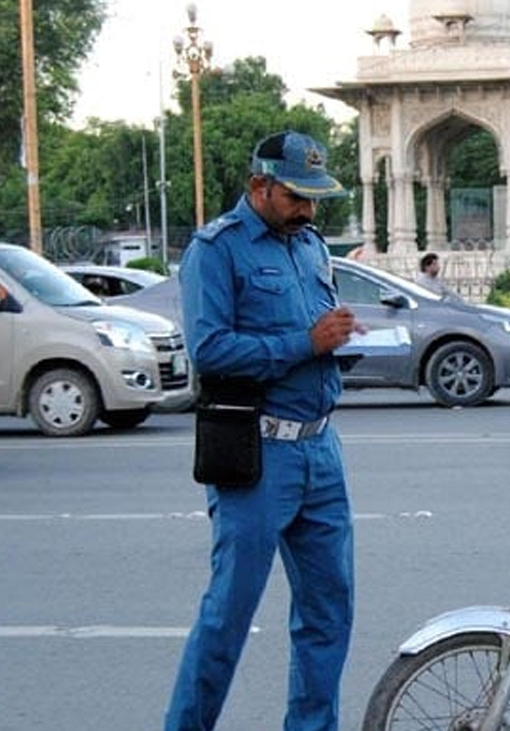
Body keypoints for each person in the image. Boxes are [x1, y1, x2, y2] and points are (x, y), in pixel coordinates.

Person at [165, 130, 361, 731]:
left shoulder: (309, 246)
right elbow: (211, 349)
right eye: (297, 197)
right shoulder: (216, 250)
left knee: (329, 612)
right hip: (257, 456)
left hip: (320, 451)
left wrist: (334, 342)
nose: (308, 210)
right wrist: (306, 343)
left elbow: (313, 334)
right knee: (228, 615)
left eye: (315, 199)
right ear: (260, 186)